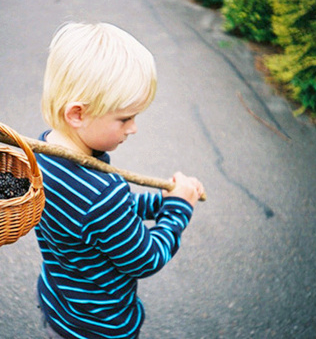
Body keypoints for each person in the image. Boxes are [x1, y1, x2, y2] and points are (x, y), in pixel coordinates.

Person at [34, 22, 205, 339]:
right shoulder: (102, 193)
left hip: (59, 303)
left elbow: (104, 219)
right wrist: (178, 210)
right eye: (125, 118)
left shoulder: (39, 154)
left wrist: (162, 201)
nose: (133, 128)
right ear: (77, 114)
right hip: (100, 325)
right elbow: (146, 258)